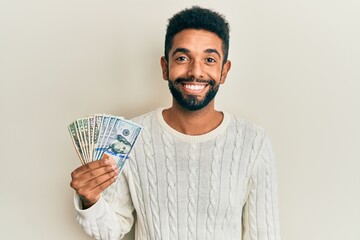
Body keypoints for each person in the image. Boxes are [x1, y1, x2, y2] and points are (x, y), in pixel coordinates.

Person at [70, 6, 281, 240]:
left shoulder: (254, 143)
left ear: (224, 71)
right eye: (182, 58)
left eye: (209, 59)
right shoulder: (128, 137)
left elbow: (263, 234)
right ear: (164, 66)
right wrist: (90, 200)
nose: (195, 71)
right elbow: (111, 229)